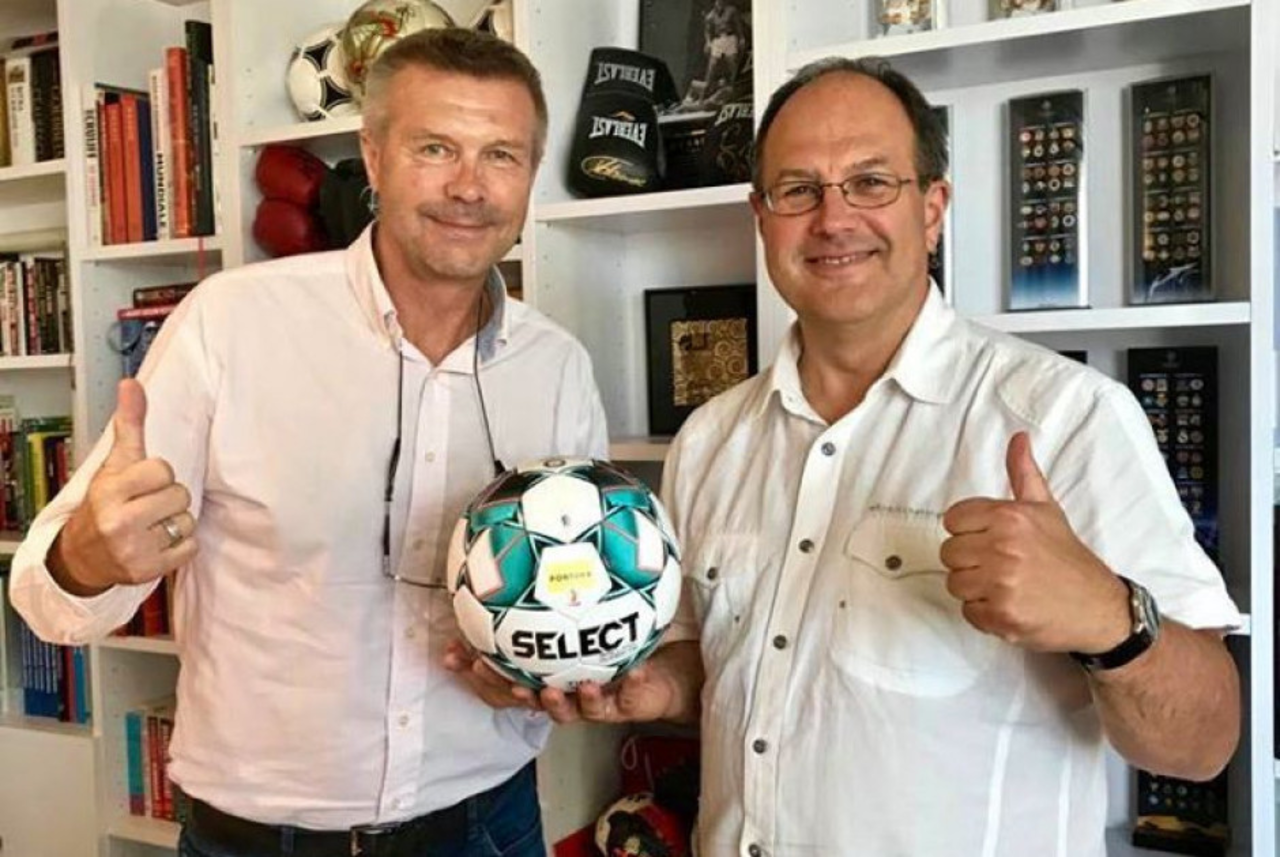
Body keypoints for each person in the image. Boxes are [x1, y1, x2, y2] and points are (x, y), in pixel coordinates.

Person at [512, 57, 1243, 856]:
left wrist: (1107, 615)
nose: (834, 219)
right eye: (798, 189)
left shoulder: (1067, 419)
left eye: (870, 182)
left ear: (932, 209)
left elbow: (1203, 742)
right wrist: (659, 685)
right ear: (762, 217)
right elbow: (717, 662)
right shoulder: (710, 440)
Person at [10, 27, 607, 857]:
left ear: (531, 173)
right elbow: (45, 601)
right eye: (435, 148)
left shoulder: (558, 365)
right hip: (259, 841)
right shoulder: (230, 324)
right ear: (374, 156)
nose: (469, 186)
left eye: (500, 155)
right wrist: (89, 554)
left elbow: (578, 590)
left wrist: (549, 669)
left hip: (489, 824)